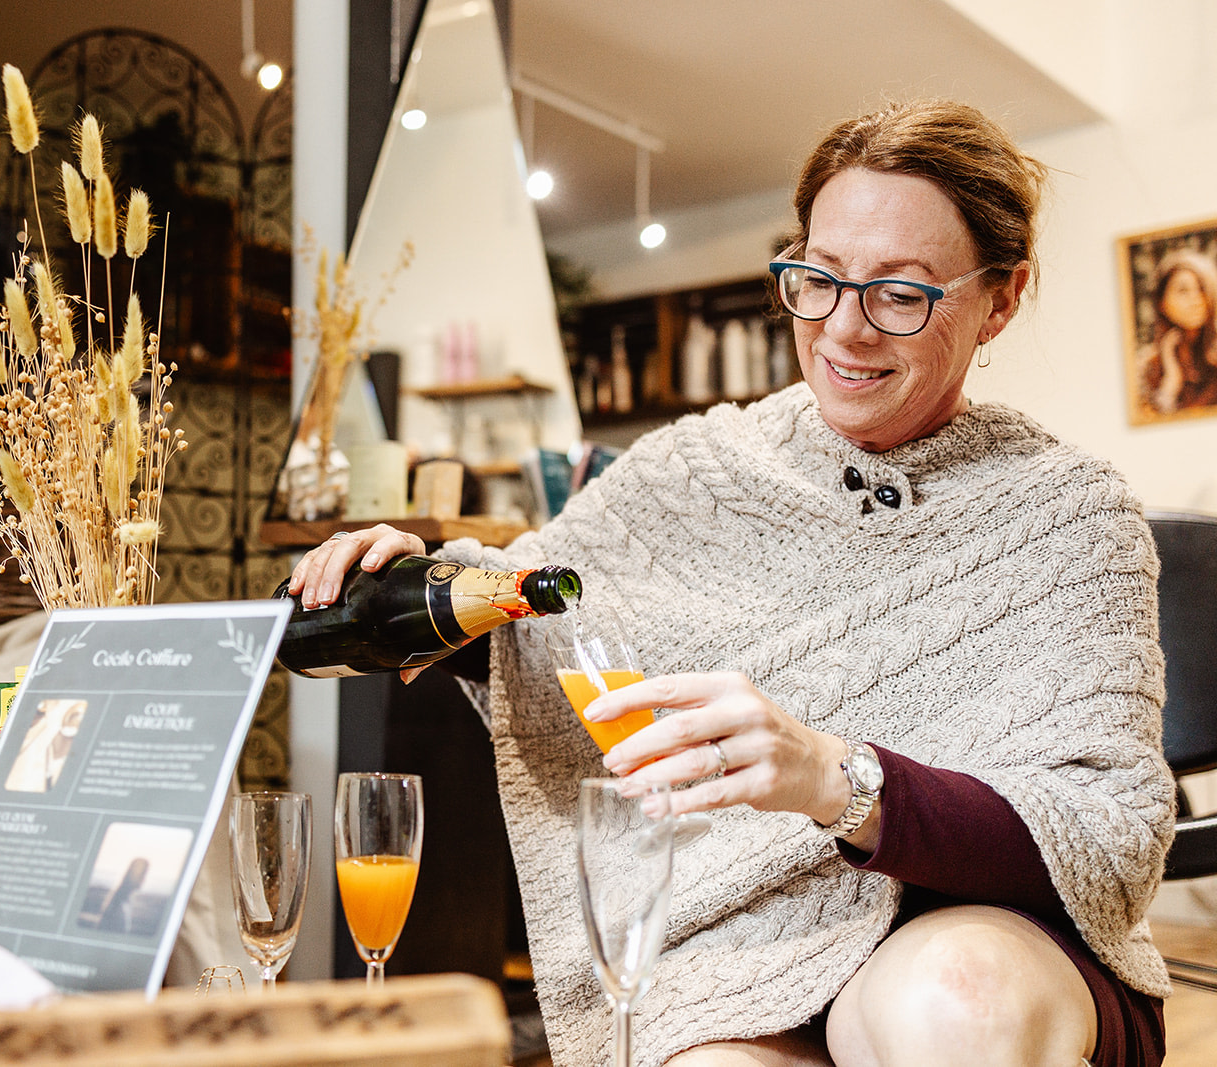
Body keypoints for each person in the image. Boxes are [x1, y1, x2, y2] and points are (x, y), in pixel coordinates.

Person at [290, 99, 1173, 1067]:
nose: (845, 328)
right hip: (741, 944)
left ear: (999, 298)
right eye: (818, 278)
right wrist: (433, 581)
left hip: (992, 936)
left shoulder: (1069, 514)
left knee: (952, 997)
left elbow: (1106, 838)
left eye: (900, 294)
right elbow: (548, 607)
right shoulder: (699, 467)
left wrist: (836, 780)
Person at [1137, 246, 1217, 417]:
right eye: (1183, 291)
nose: (1196, 300)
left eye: (1201, 289)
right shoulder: (1145, 367)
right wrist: (1171, 380)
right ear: (1162, 302)